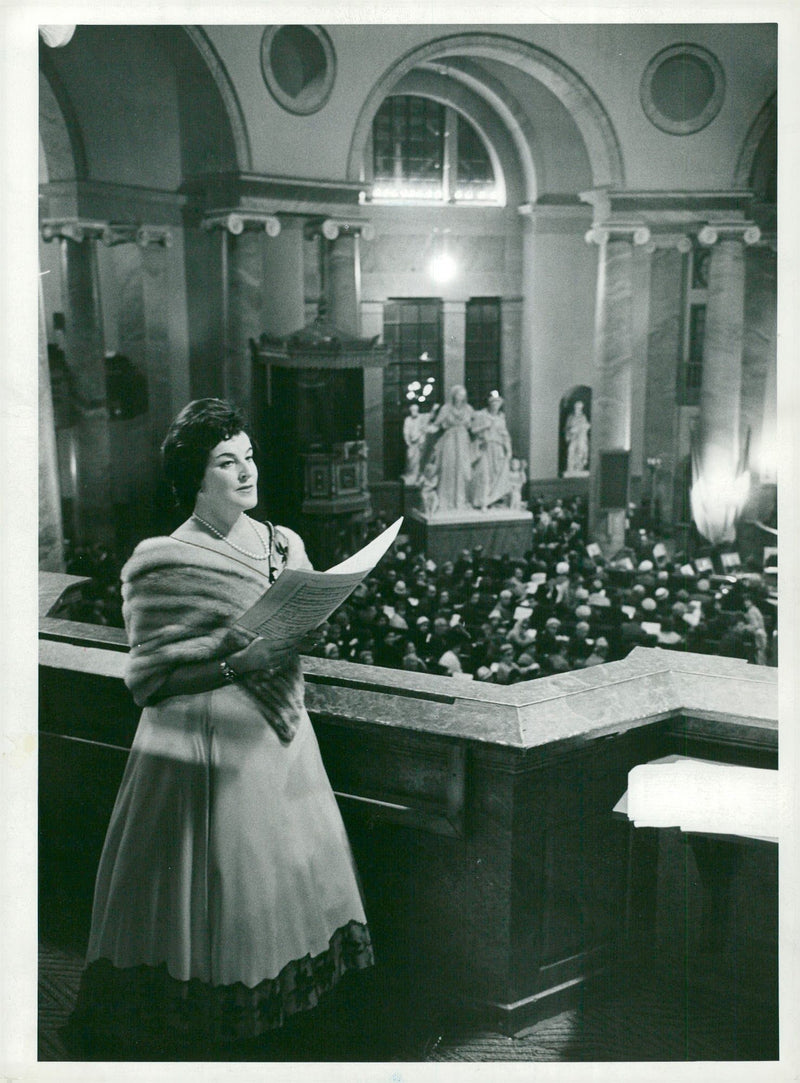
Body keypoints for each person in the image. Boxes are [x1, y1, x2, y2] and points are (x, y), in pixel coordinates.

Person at [67, 400, 374, 1057]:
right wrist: (238, 661)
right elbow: (151, 682)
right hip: (208, 751)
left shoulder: (284, 541)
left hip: (284, 737)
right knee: (230, 895)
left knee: (288, 890)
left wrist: (316, 612)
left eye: (249, 456)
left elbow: (305, 628)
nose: (244, 471)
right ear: (195, 479)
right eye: (225, 462)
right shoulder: (164, 559)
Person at [426, 384, 475, 511]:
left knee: (462, 469)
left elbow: (474, 426)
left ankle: (461, 501)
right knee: (449, 467)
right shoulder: (446, 409)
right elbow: (436, 424)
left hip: (463, 440)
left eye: (463, 395)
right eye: (459, 394)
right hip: (450, 440)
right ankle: (446, 501)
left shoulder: (468, 409)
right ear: (454, 395)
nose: (461, 397)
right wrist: (426, 429)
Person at [470, 391, 513, 510]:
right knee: (484, 474)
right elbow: (473, 430)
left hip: (498, 448)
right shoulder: (481, 415)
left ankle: (492, 499)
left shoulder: (500, 418)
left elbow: (505, 435)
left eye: (498, 403)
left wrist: (508, 450)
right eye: (493, 402)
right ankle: (482, 501)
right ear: (489, 403)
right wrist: (485, 426)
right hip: (485, 447)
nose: (495, 405)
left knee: (497, 473)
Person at [564, 400, 590, 475]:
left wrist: (584, 427)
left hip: (581, 438)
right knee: (571, 450)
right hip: (573, 437)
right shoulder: (571, 417)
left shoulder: (583, 417)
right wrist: (571, 431)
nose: (578, 409)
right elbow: (567, 428)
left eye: (579, 407)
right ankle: (571, 468)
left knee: (580, 452)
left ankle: (579, 468)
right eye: (577, 407)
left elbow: (585, 426)